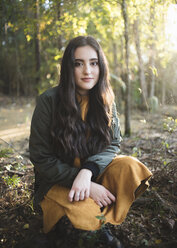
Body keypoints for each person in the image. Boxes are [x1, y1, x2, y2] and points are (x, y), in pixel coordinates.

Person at [29, 36, 152, 248]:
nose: (88, 71)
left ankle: (95, 203)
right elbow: (41, 157)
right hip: (58, 182)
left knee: (130, 166)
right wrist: (80, 179)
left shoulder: (106, 99)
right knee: (82, 216)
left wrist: (87, 173)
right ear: (69, 68)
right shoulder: (48, 101)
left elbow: (113, 144)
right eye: (79, 63)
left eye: (93, 63)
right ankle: (90, 217)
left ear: (101, 66)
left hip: (94, 173)